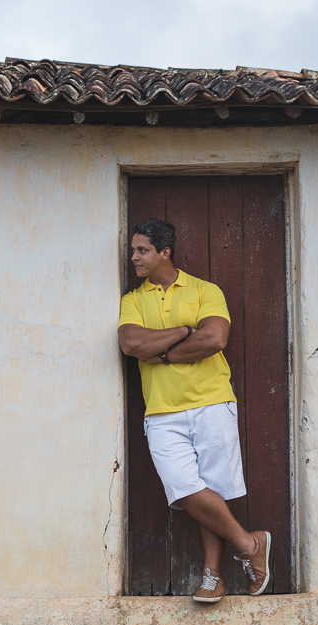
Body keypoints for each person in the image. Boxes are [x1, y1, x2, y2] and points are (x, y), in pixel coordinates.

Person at [118, 219, 270, 602]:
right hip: (162, 410)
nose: (133, 256)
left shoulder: (205, 291)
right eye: (133, 250)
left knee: (213, 489)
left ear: (164, 253)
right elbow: (131, 343)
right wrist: (185, 332)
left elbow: (215, 338)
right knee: (186, 488)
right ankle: (250, 544)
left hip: (212, 402)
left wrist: (163, 353)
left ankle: (212, 577)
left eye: (142, 250)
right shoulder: (133, 300)